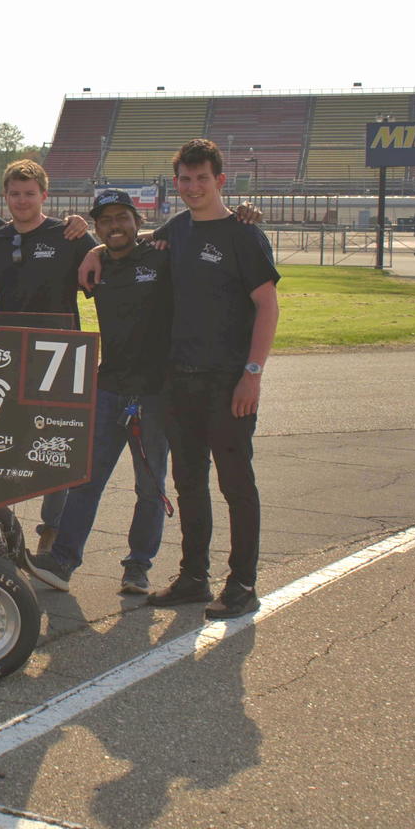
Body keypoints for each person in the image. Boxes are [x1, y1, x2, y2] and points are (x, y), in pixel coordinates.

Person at [146, 139, 279, 618]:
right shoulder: (174, 231)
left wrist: (253, 374)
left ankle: (242, 582)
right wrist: (93, 250)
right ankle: (193, 577)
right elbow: (126, 245)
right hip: (179, 379)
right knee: (189, 482)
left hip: (228, 381)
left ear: (220, 181)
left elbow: (267, 306)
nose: (193, 187)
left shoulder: (243, 233)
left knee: (236, 484)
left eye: (202, 178)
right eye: (185, 179)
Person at [25, 188, 171, 596]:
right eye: (105, 220)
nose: (114, 226)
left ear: (137, 221)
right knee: (85, 479)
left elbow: (191, 229)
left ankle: (138, 566)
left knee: (150, 485)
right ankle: (62, 560)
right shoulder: (100, 262)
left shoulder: (161, 255)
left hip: (154, 393)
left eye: (122, 217)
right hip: (109, 388)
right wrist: (92, 249)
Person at [0, 159, 93, 553]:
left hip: (60, 353)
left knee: (57, 443)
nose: (22, 200)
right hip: (9, 352)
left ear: (44, 195)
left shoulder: (69, 235)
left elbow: (112, 261)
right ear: (5, 196)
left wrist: (88, 229)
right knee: (1, 437)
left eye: (30, 193)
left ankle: (53, 529)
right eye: (15, 193)